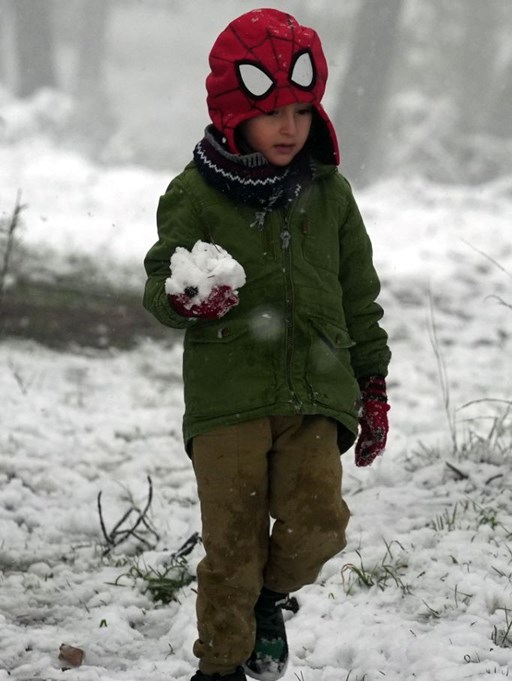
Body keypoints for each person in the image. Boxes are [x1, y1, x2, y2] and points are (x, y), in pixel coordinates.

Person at [142, 9, 392, 681]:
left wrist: (372, 383)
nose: (290, 127)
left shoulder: (331, 196)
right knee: (233, 546)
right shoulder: (194, 194)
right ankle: (219, 666)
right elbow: (160, 283)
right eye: (273, 111)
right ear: (234, 111)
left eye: (302, 110)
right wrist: (184, 296)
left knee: (319, 527)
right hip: (230, 403)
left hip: (317, 393)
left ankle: (266, 599)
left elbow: (359, 296)